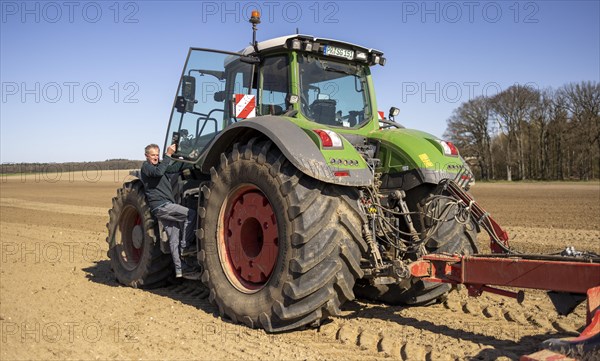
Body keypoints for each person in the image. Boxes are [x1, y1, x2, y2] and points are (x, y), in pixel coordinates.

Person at [140, 143, 197, 278]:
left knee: (173, 237)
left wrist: (192, 161)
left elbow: (173, 168)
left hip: (164, 206)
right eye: (153, 155)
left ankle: (180, 269)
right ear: (146, 156)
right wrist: (168, 154)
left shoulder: (160, 165)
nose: (155, 157)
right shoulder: (146, 167)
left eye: (157, 154)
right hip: (162, 206)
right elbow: (159, 172)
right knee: (190, 214)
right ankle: (186, 246)